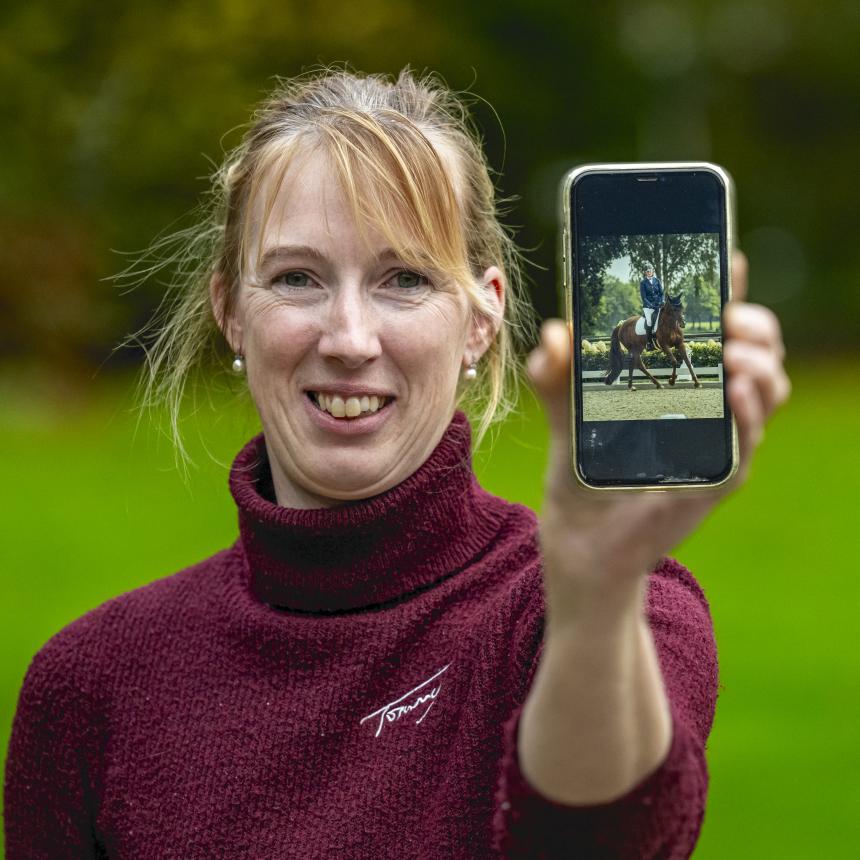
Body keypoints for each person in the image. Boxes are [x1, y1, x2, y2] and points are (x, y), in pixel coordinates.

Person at [3, 69, 790, 859]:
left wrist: (594, 589)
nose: (348, 339)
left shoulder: (622, 615)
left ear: (481, 319)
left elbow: (609, 841)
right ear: (231, 312)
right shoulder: (89, 683)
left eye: (404, 279)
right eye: (297, 278)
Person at [640, 263, 664, 350]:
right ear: (645, 273)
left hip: (658, 304)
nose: (649, 272)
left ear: (652, 271)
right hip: (648, 306)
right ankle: (649, 343)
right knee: (649, 322)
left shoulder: (657, 280)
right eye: (647, 271)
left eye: (650, 271)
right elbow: (644, 297)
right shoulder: (643, 283)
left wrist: (662, 301)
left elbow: (661, 293)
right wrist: (650, 305)